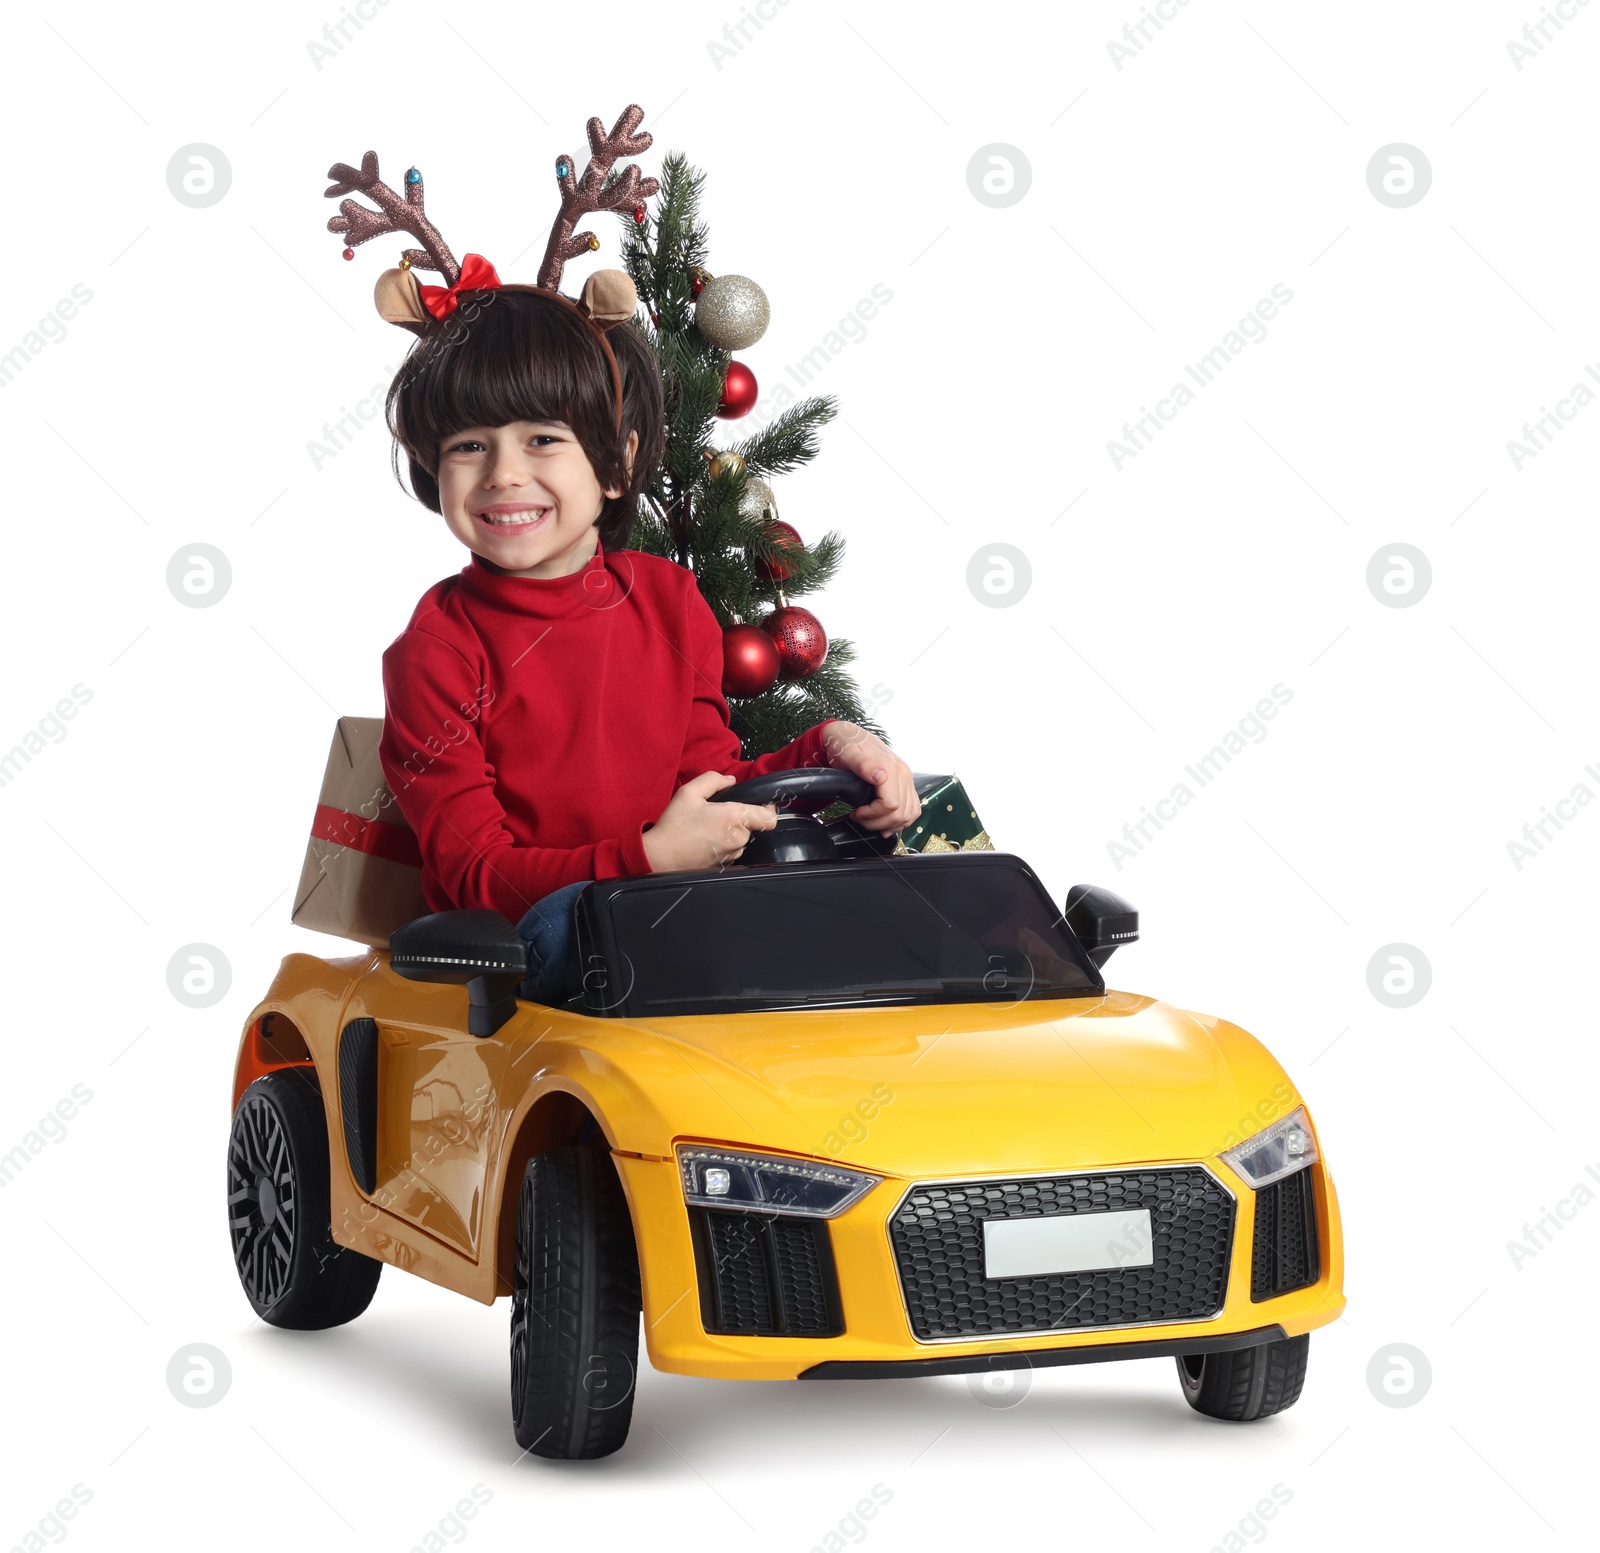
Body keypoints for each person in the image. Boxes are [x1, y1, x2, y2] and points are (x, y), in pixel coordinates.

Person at [376, 282, 920, 1004]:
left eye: (542, 438)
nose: (503, 473)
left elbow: (717, 785)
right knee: (570, 923)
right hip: (528, 963)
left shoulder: (669, 601)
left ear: (616, 461)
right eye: (469, 445)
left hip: (676, 920)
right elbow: (481, 876)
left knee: (858, 898)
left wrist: (831, 745)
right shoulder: (437, 651)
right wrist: (646, 860)